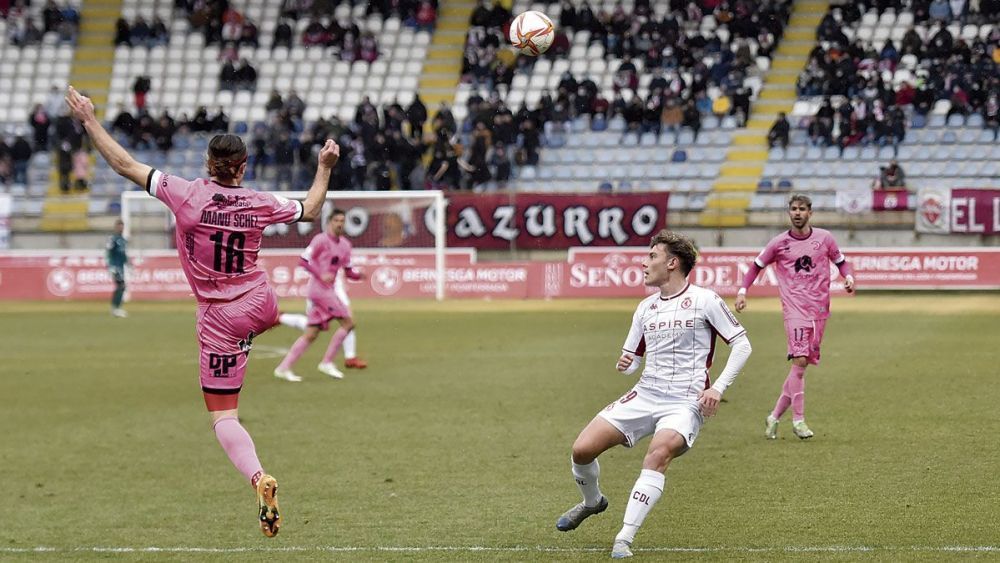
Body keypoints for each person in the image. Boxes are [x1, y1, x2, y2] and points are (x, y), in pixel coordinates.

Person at [65, 85, 340, 537]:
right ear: (243, 167)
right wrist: (323, 167)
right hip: (260, 300)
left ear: (208, 165)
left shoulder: (185, 194)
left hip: (218, 314)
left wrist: (89, 119)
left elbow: (123, 164)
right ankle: (276, 327)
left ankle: (258, 477)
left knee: (224, 416)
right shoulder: (258, 202)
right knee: (259, 320)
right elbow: (311, 210)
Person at [555, 230, 752, 559]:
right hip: (645, 394)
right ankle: (592, 502)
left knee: (659, 453)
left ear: (672, 263)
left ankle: (623, 538)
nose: (644, 263)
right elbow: (633, 359)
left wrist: (717, 387)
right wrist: (626, 365)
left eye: (652, 256)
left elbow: (742, 344)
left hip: (685, 401)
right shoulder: (645, 308)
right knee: (581, 449)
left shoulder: (705, 300)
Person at [735, 194, 855, 441]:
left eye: (801, 209)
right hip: (794, 310)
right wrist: (742, 290)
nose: (797, 213)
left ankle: (774, 416)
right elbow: (756, 266)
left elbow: (842, 262)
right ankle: (798, 420)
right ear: (789, 212)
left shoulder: (825, 238)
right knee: (799, 361)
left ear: (810, 212)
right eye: (793, 209)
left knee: (801, 368)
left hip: (819, 310)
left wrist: (848, 277)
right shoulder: (778, 243)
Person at [273, 209, 363, 381]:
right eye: (337, 220)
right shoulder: (320, 240)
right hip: (319, 291)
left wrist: (360, 275)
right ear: (329, 222)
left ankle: (283, 368)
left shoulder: (345, 245)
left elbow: (349, 271)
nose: (340, 223)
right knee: (348, 322)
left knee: (311, 333)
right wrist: (320, 274)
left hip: (328, 291)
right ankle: (327, 362)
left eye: (342, 220)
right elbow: (303, 260)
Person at [106, 218, 129, 318]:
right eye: (119, 226)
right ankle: (116, 308)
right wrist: (111, 266)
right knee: (121, 286)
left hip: (121, 267)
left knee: (120, 287)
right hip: (115, 267)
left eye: (122, 226)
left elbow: (123, 254)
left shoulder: (123, 240)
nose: (121, 228)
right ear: (116, 227)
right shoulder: (113, 239)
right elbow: (109, 253)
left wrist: (129, 264)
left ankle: (115, 308)